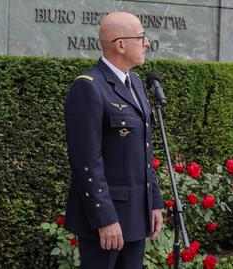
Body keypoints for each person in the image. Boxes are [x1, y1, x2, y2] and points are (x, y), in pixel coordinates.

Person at [64, 12, 164, 269]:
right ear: (120, 44)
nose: (147, 43)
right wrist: (105, 219)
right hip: (107, 221)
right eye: (141, 37)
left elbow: (144, 151)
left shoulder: (137, 84)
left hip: (135, 215)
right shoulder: (89, 86)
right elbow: (86, 161)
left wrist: (154, 203)